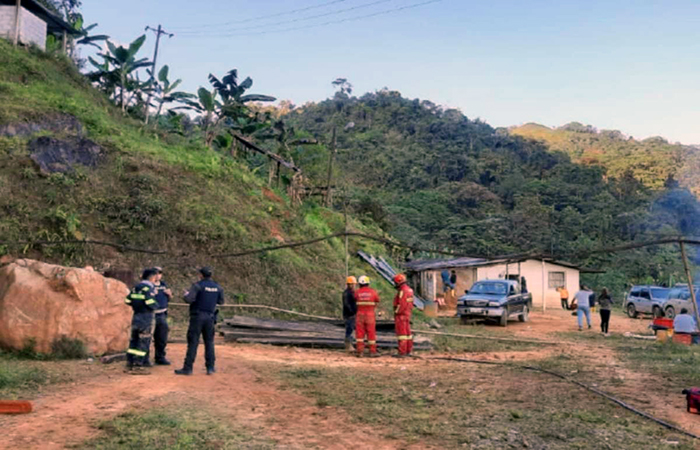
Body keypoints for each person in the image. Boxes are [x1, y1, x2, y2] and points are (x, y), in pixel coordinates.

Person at [175, 267, 224, 376]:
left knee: (193, 342)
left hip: (197, 317)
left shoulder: (198, 286)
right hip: (210, 317)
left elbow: (189, 299)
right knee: (209, 342)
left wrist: (186, 294)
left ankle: (188, 368)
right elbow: (221, 301)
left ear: (201, 275)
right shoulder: (218, 287)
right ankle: (210, 367)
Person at [125, 269, 159, 374]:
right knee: (143, 340)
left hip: (136, 316)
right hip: (146, 317)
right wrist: (156, 306)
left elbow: (127, 300)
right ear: (152, 277)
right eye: (156, 277)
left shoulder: (136, 287)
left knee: (134, 340)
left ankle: (130, 362)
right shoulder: (148, 288)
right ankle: (138, 365)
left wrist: (137, 305)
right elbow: (150, 302)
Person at [354, 275, 380, 358]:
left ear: (359, 284)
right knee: (371, 333)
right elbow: (377, 300)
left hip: (360, 315)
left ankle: (360, 352)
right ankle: (372, 352)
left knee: (360, 334)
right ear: (368, 283)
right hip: (370, 315)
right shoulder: (373, 292)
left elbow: (354, 299)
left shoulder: (357, 292)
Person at [152, 267, 172, 365]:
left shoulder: (163, 285)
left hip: (162, 314)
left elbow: (168, 299)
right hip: (151, 314)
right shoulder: (148, 285)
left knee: (162, 337)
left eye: (160, 273)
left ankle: (160, 357)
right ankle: (144, 359)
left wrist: (169, 295)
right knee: (146, 338)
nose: (158, 275)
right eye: (156, 273)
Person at [393, 274, 414, 357]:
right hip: (407, 314)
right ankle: (408, 350)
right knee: (408, 334)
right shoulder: (410, 290)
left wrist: (396, 312)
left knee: (402, 334)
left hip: (401, 315)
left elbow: (401, 304)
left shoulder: (402, 291)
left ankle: (402, 352)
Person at [343, 276, 358, 352]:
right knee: (349, 330)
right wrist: (352, 312)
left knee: (352, 329)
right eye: (353, 284)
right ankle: (348, 346)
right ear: (350, 284)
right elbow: (347, 304)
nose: (354, 286)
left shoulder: (352, 292)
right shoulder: (347, 293)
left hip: (351, 314)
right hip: (349, 315)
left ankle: (351, 345)